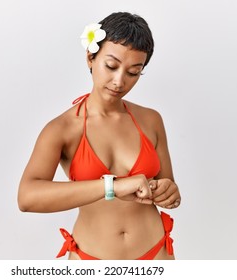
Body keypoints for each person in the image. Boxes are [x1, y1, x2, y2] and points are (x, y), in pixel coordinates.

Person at [18, 12, 181, 260]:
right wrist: (112, 187)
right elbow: (27, 198)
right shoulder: (62, 129)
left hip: (156, 253)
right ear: (90, 57)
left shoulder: (151, 120)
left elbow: (167, 184)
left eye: (133, 72)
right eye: (111, 66)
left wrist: (168, 191)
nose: (119, 81)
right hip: (91, 259)